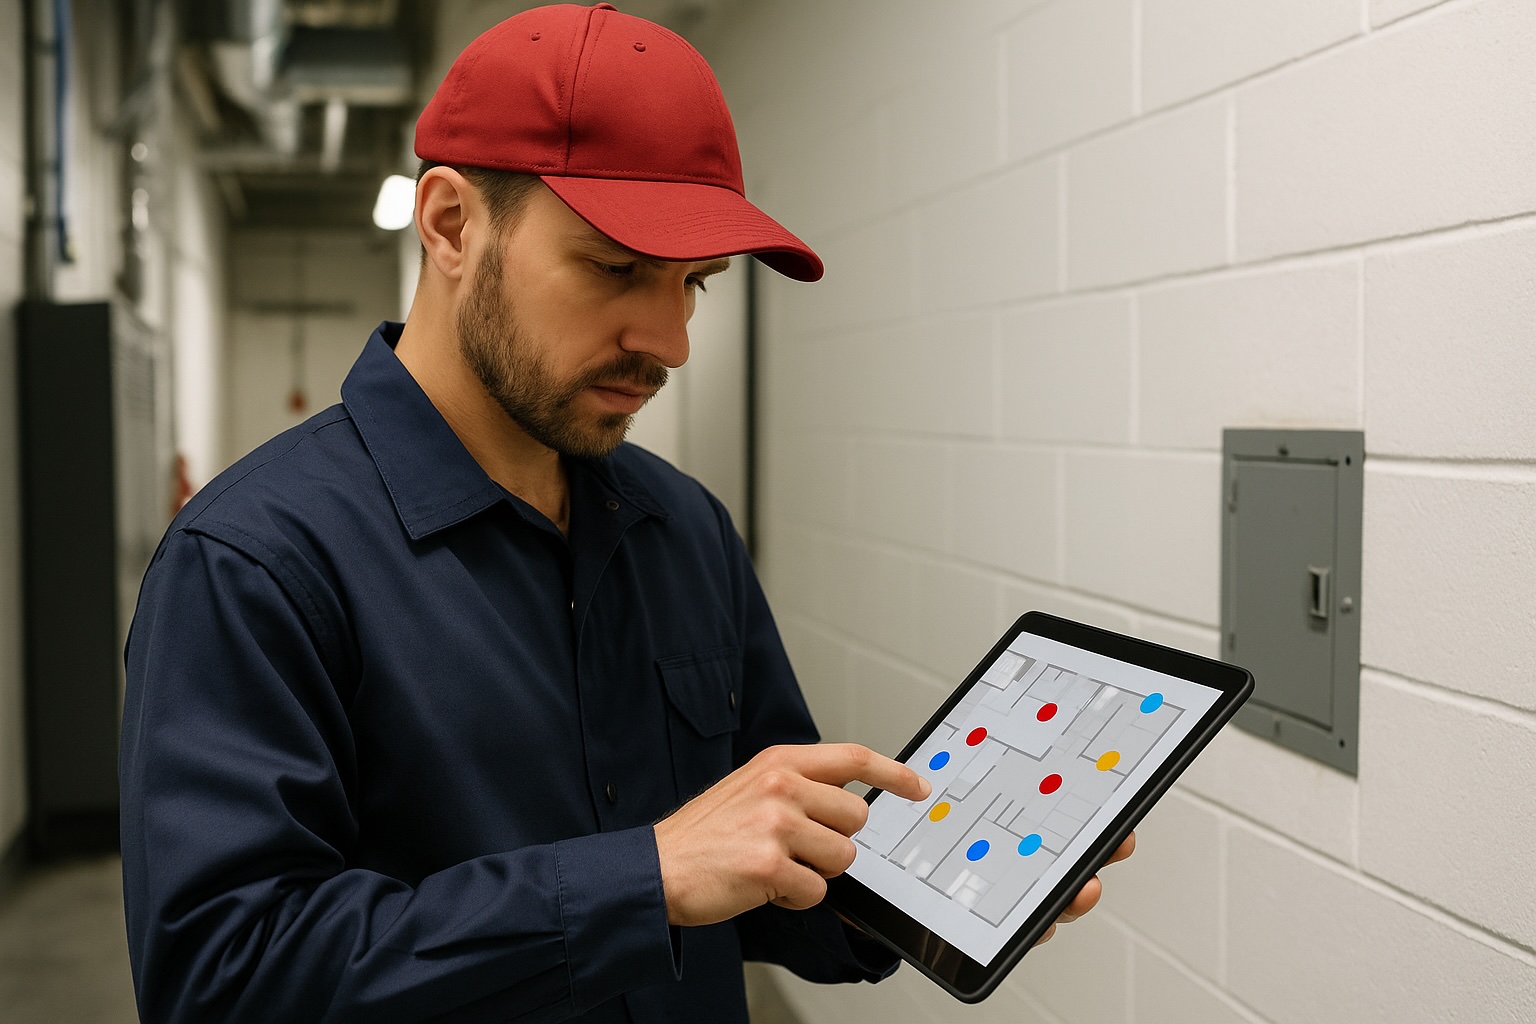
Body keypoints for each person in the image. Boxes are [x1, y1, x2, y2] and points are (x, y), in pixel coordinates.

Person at [119, 4, 1131, 1022]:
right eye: (615, 268)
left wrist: (923, 894)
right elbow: (225, 978)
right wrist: (640, 878)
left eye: (694, 283)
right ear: (451, 223)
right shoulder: (254, 562)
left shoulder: (684, 529)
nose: (671, 340)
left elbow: (754, 877)